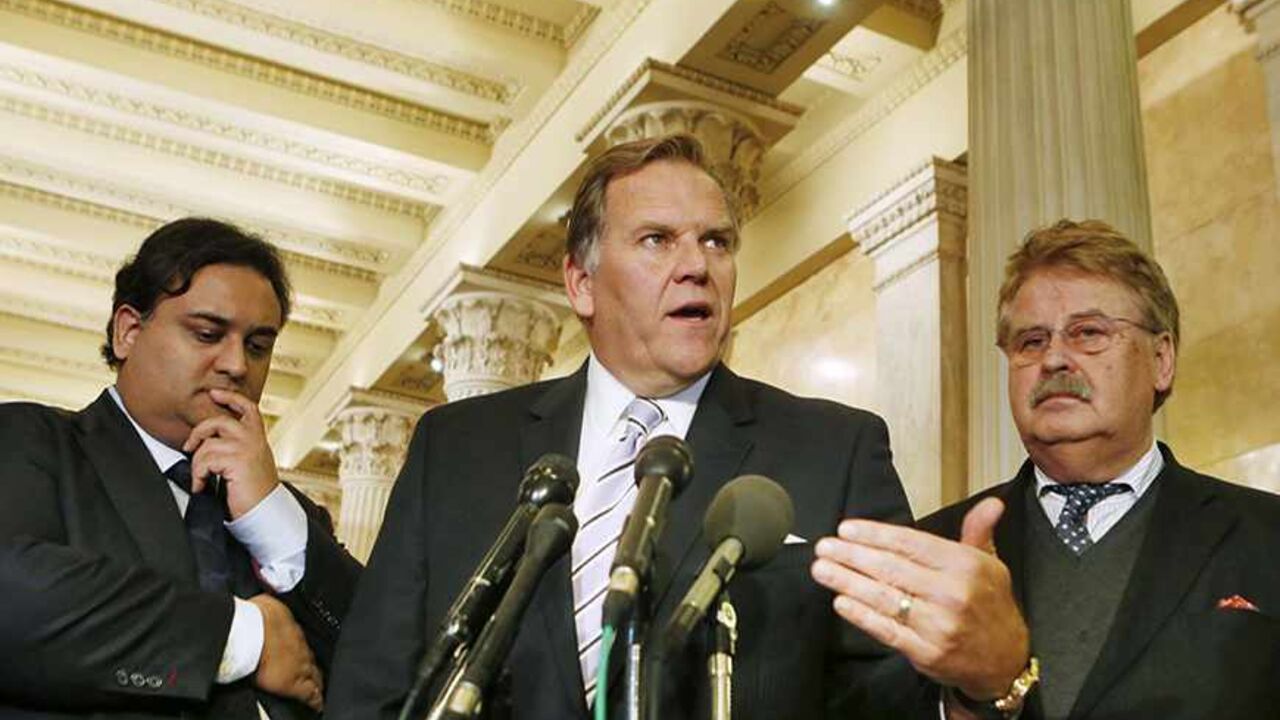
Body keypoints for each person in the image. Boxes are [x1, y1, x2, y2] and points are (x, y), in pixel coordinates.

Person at [327, 134, 913, 719]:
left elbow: (892, 694)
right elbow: (371, 689)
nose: (697, 267)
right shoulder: (456, 449)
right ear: (581, 284)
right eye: (657, 239)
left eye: (716, 241)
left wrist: (961, 687)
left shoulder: (836, 451)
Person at [811, 219, 1280, 719]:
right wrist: (968, 697)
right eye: (1030, 342)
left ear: (1162, 360)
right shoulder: (933, 557)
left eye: (1089, 333)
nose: (1054, 358)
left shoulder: (1266, 535)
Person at [0, 218, 361, 718]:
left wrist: (268, 513)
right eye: (208, 334)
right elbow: (13, 596)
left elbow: (393, 663)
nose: (237, 365)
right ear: (128, 331)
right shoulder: (29, 440)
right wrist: (243, 638)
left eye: (258, 346)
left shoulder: (292, 519)